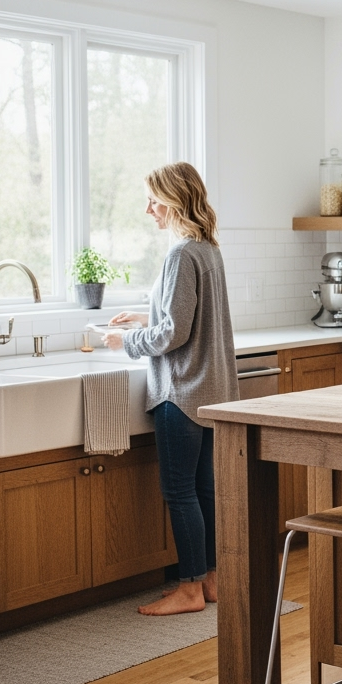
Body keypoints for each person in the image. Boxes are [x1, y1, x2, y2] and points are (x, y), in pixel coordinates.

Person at [103, 161, 239, 616]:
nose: (149, 210)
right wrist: (145, 317)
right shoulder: (207, 249)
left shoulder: (181, 254)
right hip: (211, 390)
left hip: (180, 392)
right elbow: (187, 319)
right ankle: (212, 581)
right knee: (203, 490)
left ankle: (188, 589)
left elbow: (172, 336)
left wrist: (126, 341)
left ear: (176, 200)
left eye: (154, 200)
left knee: (180, 491)